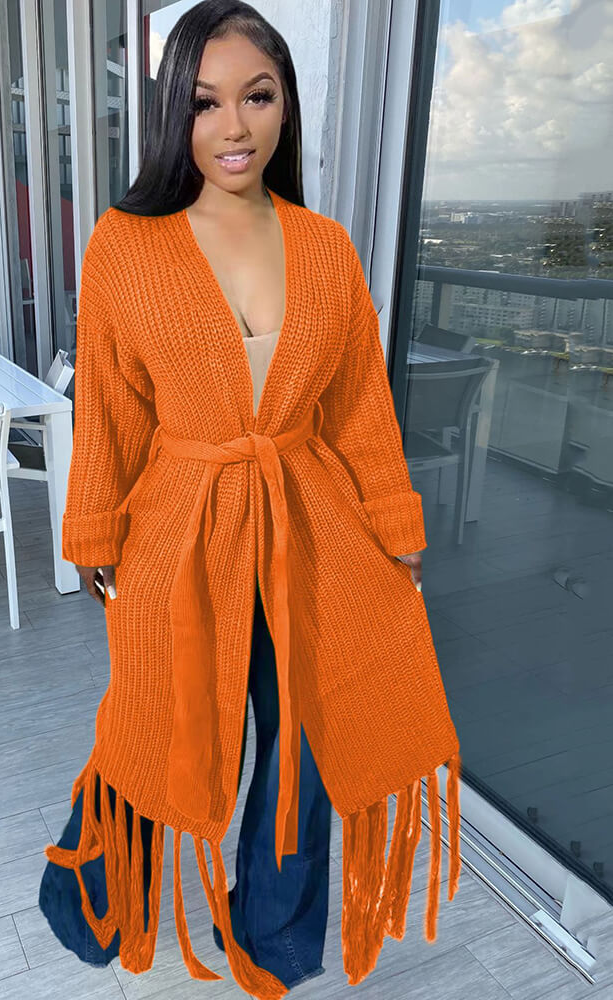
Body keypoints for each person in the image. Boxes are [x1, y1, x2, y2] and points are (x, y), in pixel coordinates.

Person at [39, 2, 462, 998]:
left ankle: (275, 939)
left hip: (313, 526)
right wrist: (94, 532)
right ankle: (94, 901)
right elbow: (109, 410)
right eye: (205, 102)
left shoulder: (325, 246)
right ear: (173, 115)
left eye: (257, 97)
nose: (234, 127)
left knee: (307, 743)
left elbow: (357, 406)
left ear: (285, 107)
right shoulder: (126, 244)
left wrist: (393, 521)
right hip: (181, 530)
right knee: (160, 726)